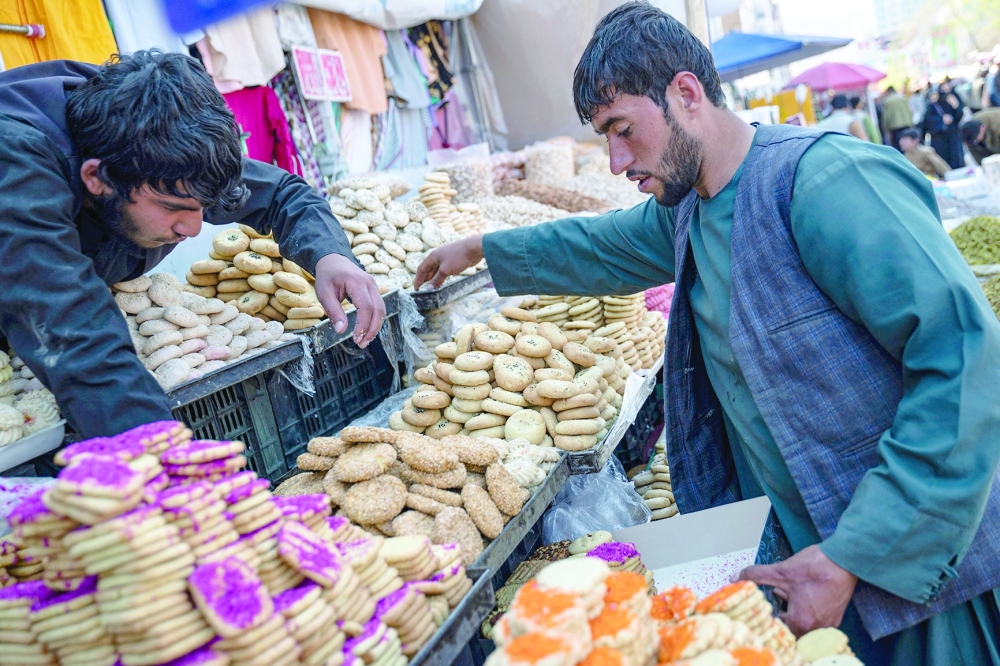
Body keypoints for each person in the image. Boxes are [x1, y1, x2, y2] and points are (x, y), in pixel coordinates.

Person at [416, 3, 1000, 663]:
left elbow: (966, 364)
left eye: (621, 129)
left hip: (907, 570)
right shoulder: (690, 208)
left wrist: (857, 551)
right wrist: (481, 249)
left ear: (686, 96)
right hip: (797, 565)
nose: (613, 161)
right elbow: (598, 245)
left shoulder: (823, 182)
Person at [0, 51, 386, 439]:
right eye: (173, 209)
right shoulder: (18, 164)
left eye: (202, 207)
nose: (194, 227)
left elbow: (282, 193)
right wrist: (168, 462)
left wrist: (330, 257)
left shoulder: (165, 143)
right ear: (97, 178)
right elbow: (71, 330)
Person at [881, 85, 913, 150]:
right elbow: (909, 111)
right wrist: (911, 122)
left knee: (898, 146)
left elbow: (886, 116)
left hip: (894, 126)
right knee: (908, 144)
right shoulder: (903, 98)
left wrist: (885, 128)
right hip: (906, 123)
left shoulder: (887, 101)